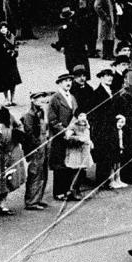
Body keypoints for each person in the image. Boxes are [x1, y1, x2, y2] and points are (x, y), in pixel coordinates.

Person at [47, 72, 76, 200]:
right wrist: (64, 131)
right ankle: (59, 192)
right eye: (65, 81)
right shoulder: (55, 98)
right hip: (59, 137)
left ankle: (68, 190)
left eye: (70, 80)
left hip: (71, 135)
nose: (68, 83)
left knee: (69, 163)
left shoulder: (72, 97)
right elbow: (52, 120)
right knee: (59, 165)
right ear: (59, 83)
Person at [20, 91, 50, 210]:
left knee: (43, 173)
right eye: (38, 98)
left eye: (42, 97)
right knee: (35, 174)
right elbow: (29, 134)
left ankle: (38, 198)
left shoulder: (41, 112)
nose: (41, 99)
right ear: (32, 99)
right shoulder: (29, 115)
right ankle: (31, 201)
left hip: (43, 145)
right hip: (36, 149)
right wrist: (36, 147)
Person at [0, 22, 22, 106]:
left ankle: (13, 97)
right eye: (1, 28)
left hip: (11, 61)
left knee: (13, 80)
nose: (3, 29)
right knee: (4, 81)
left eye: (5, 27)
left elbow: (16, 47)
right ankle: (6, 98)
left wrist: (14, 52)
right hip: (2, 62)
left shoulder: (12, 36)